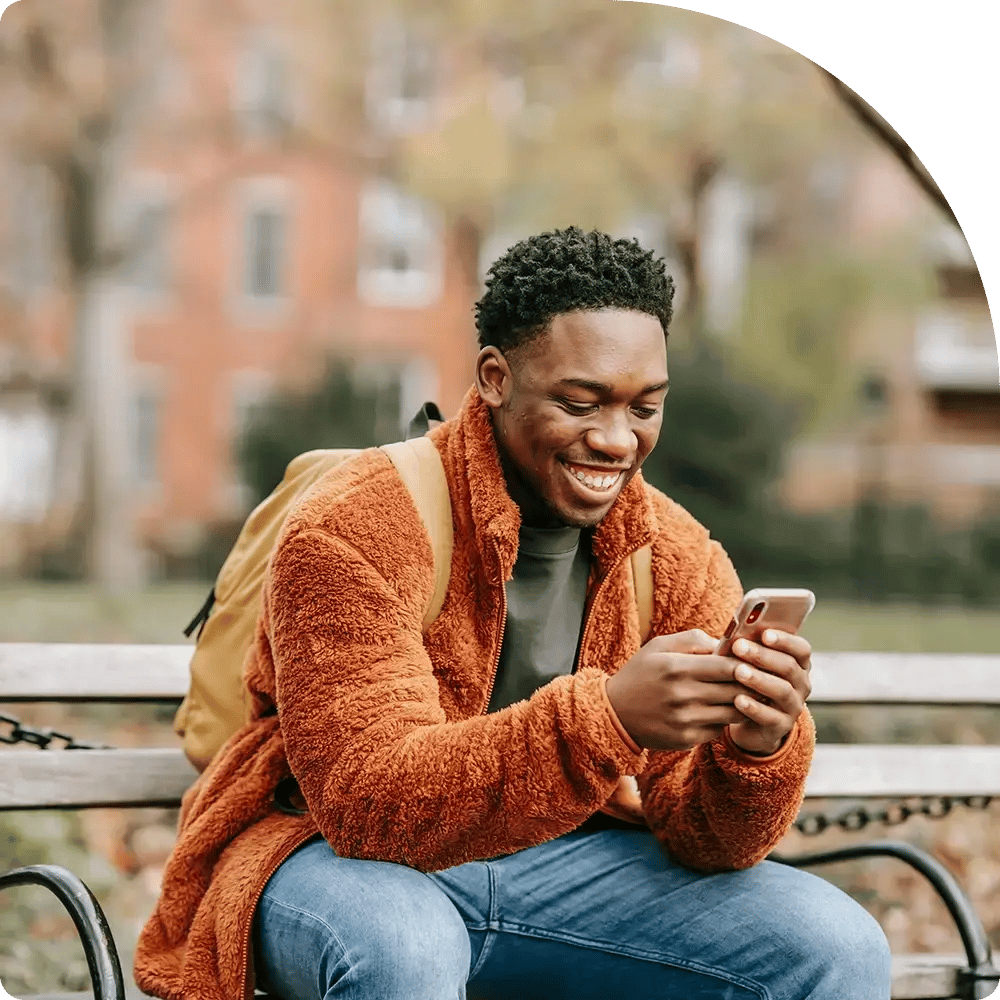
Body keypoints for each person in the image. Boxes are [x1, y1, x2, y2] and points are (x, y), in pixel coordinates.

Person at [135, 227, 891, 1000]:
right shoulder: (356, 521)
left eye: (645, 407)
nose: (615, 439)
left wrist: (755, 746)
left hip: (561, 868)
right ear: (495, 378)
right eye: (578, 402)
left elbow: (709, 840)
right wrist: (610, 718)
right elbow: (367, 806)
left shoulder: (675, 554)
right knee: (405, 946)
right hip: (327, 860)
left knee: (835, 946)